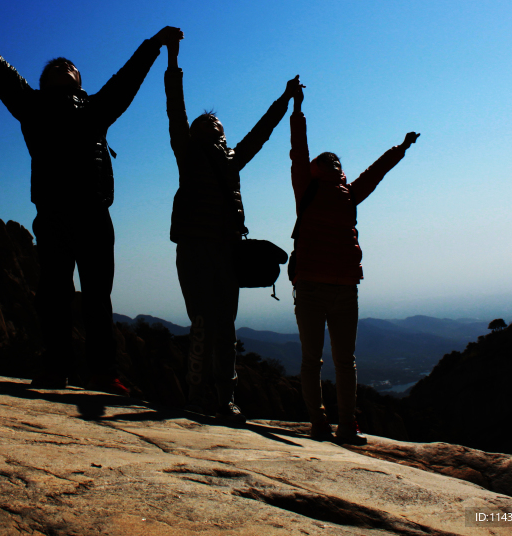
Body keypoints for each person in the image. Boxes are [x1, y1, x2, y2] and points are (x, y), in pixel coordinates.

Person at [0, 0, 182, 395]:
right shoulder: (31, 106)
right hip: (53, 215)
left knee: (97, 297)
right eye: (54, 68)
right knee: (54, 297)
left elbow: (129, 76)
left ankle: (103, 373)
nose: (62, 67)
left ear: (79, 81)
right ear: (44, 82)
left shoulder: (97, 108)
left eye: (69, 67)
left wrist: (155, 43)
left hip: (95, 215)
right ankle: (55, 368)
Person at [164, 39, 302, 422]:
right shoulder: (188, 155)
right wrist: (173, 59)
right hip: (192, 249)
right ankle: (196, 395)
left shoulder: (232, 161)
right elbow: (176, 108)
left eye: (217, 125)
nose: (211, 127)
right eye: (203, 124)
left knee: (223, 326)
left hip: (224, 251)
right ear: (192, 133)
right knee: (203, 323)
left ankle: (225, 398)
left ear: (224, 136)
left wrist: (285, 99)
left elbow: (261, 131)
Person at [289, 84, 418, 442]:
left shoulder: (350, 194)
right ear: (315, 168)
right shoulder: (307, 188)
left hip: (345, 287)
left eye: (336, 159)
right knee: (313, 360)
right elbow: (298, 151)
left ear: (342, 170)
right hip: (313, 286)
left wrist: (401, 148)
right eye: (324, 159)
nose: (331, 160)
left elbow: (376, 172)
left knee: (344, 362)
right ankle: (318, 424)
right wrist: (297, 108)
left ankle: (346, 425)